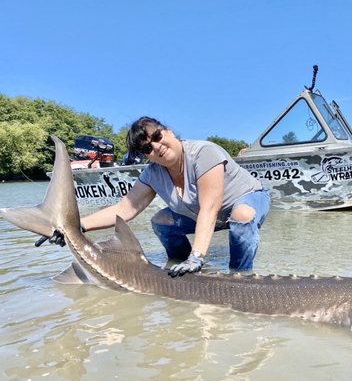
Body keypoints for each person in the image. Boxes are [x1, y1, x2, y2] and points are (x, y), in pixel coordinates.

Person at [45, 116, 271, 277]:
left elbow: (210, 208)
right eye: (147, 148)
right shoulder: (153, 173)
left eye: (157, 136)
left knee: (242, 215)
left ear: (169, 132)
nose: (156, 146)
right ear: (146, 156)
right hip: (204, 215)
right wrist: (77, 226)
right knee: (161, 221)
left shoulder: (204, 152)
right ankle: (185, 272)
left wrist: (198, 255)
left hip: (246, 201)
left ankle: (241, 277)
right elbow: (125, 209)